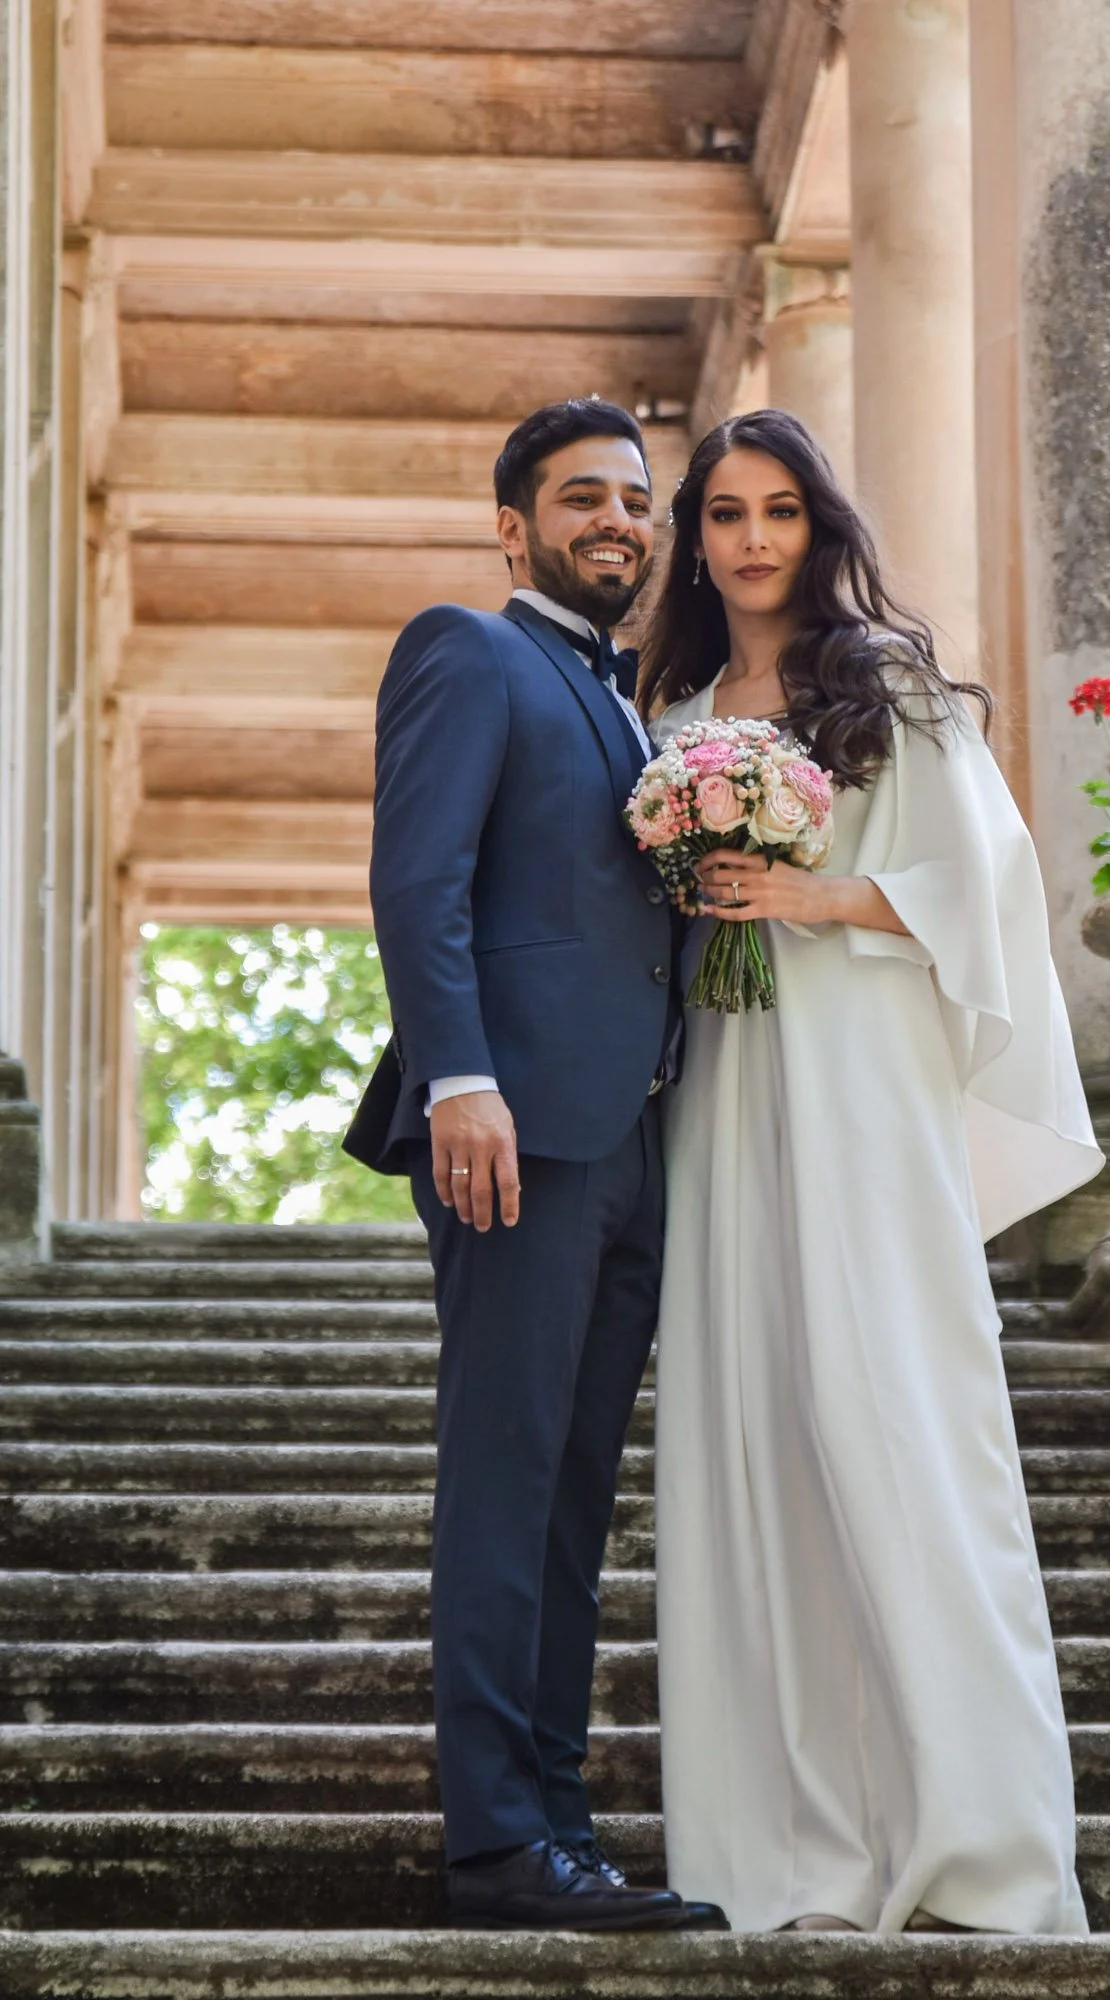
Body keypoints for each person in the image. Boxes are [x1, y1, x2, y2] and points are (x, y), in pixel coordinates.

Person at [639, 409, 1103, 1937]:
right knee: (750, 1433)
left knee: (898, 1421)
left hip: (862, 1090)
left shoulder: (885, 686)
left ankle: (976, 1842)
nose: (752, 538)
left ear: (819, 526)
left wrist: (812, 891)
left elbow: (984, 890)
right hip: (725, 1087)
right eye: (724, 514)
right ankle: (784, 1846)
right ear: (693, 540)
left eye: (778, 509)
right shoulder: (678, 706)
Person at [344, 399, 724, 1934]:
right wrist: (462, 1079)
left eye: (637, 498)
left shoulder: (636, 707)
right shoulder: (466, 647)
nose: (619, 520)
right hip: (514, 1137)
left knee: (574, 1499)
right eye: (582, 499)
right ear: (516, 529)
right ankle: (498, 1845)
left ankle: (558, 1829)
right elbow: (416, 876)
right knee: (507, 1488)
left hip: (636, 1133)